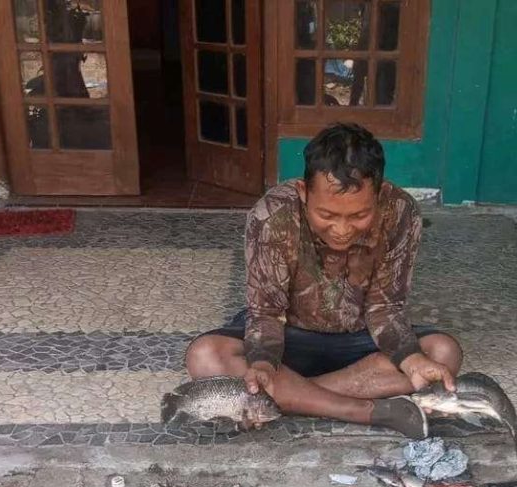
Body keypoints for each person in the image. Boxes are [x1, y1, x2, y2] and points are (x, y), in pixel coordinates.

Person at [186, 123, 463, 438]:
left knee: (442, 353)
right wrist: (263, 363)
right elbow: (266, 310)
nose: (342, 229)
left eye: (359, 216)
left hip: (363, 338)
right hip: (287, 338)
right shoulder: (272, 214)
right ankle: (364, 410)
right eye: (328, 215)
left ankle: (288, 398)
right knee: (205, 356)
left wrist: (411, 359)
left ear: (381, 193)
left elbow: (385, 306)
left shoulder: (400, 212)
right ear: (304, 193)